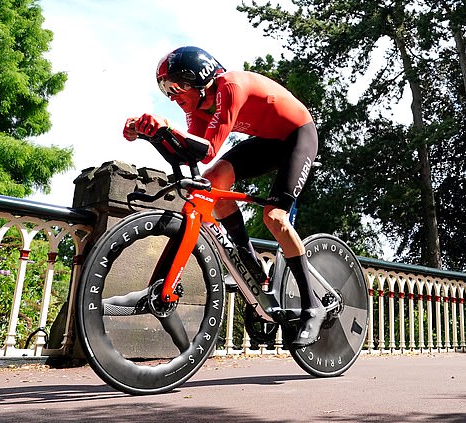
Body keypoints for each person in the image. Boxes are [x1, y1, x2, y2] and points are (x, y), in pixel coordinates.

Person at [122, 46, 325, 347]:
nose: (173, 97)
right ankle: (249, 261)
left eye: (176, 88)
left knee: (274, 217)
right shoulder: (195, 108)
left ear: (201, 79)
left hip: (298, 134)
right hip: (268, 141)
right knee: (212, 185)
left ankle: (313, 306)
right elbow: (196, 157)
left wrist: (164, 127)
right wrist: (149, 133)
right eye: (166, 91)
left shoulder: (230, 87)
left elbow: (209, 148)